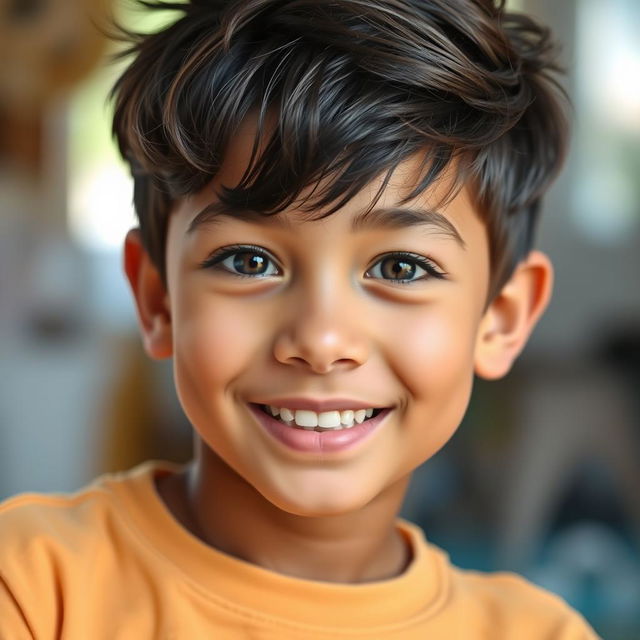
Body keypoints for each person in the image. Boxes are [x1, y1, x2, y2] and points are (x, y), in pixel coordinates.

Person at [0, 0, 601, 637]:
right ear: (157, 299)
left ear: (500, 319)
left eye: (400, 269)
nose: (320, 341)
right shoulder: (33, 589)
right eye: (250, 261)